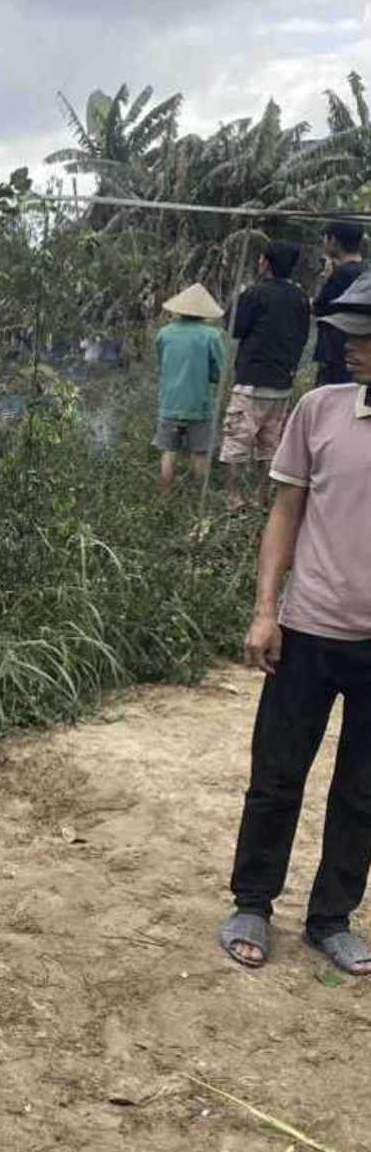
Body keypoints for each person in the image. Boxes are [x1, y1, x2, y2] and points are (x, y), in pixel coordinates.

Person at [220, 265, 371, 975]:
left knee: (362, 789)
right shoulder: (320, 410)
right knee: (277, 776)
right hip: (308, 628)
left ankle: (331, 919)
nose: (351, 348)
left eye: (365, 336)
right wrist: (264, 612)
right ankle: (252, 899)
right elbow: (284, 514)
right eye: (347, 335)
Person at [220, 241, 310, 511]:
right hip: (282, 382)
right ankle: (262, 496)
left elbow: (234, 327)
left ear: (266, 263)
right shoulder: (301, 298)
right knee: (270, 443)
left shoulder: (256, 293)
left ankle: (234, 497)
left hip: (251, 381)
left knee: (237, 439)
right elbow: (303, 337)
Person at [152, 283, 224, 496]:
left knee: (168, 452)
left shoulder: (164, 333)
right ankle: (197, 497)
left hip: (169, 403)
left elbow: (162, 365)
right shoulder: (211, 335)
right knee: (199, 454)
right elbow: (219, 372)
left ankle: (163, 497)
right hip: (199, 405)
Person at [312, 221, 366, 388]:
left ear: (333, 240)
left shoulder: (341, 274)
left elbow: (319, 308)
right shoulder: (366, 270)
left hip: (335, 354)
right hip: (361, 351)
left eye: (325, 239)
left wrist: (325, 279)